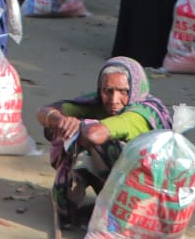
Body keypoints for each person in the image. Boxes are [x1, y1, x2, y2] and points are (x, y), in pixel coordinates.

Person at [37, 56, 172, 227]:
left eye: (123, 91)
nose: (114, 100)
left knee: (89, 143)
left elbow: (94, 134)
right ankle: (73, 203)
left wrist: (77, 125)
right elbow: (44, 111)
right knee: (71, 136)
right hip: (119, 180)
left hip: (147, 190)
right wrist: (62, 121)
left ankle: (123, 213)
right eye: (108, 91)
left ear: (135, 89)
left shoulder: (140, 114)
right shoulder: (98, 102)